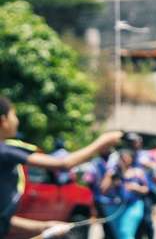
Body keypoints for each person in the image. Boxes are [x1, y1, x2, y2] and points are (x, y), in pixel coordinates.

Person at [0, 96, 122, 238]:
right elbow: (64, 164)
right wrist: (102, 142)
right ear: (3, 120)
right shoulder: (5, 151)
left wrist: (45, 227)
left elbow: (4, 221)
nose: (17, 121)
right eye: (14, 115)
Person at [101, 150, 149, 239]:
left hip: (133, 205)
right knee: (118, 235)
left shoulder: (137, 172)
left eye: (126, 157)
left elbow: (146, 189)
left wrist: (136, 188)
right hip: (114, 207)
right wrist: (110, 175)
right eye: (122, 157)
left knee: (125, 232)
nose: (124, 160)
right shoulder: (113, 173)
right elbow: (103, 190)